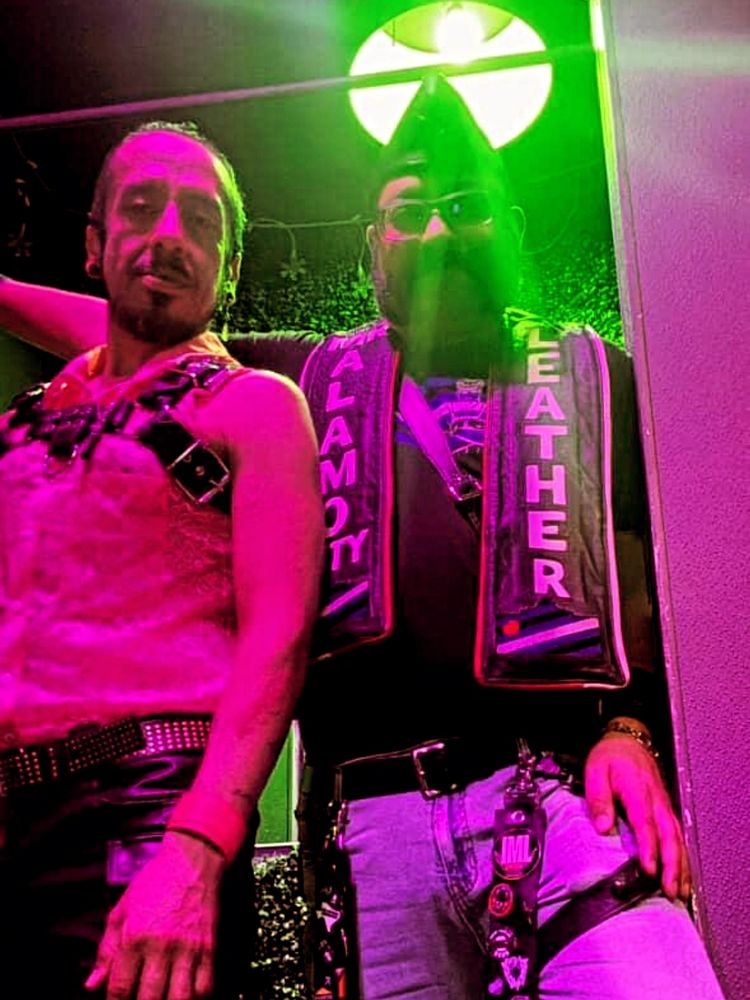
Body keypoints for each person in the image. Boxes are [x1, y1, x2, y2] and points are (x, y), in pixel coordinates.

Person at [0, 82, 724, 999]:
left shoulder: (599, 374)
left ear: (509, 228)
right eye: (408, 213)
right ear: (371, 246)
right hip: (372, 817)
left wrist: (630, 728)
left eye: (464, 207)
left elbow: (652, 578)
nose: (437, 231)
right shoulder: (303, 374)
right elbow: (127, 326)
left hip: (568, 793)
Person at [0, 121, 324, 1000]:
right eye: (141, 208)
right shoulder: (26, 422)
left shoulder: (253, 406)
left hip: (147, 807)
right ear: (94, 244)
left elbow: (279, 637)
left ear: (230, 266)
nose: (171, 234)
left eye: (201, 220)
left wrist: (198, 847)